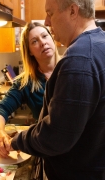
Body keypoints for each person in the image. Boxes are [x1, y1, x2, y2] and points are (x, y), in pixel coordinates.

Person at [6, 0, 105, 179]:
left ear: (73, 11)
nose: (47, 21)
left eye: (50, 13)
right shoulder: (100, 43)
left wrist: (17, 141)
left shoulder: (78, 59)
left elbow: (56, 137)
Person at [0, 22, 59, 158]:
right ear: (29, 51)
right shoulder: (25, 82)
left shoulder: (72, 71)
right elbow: (0, 110)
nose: (42, 43)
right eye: (34, 41)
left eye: (45, 36)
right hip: (44, 147)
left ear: (52, 39)